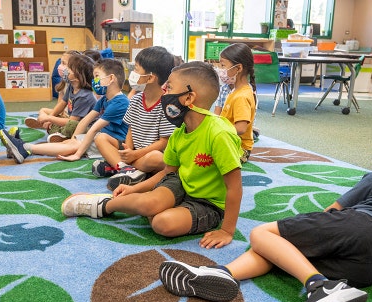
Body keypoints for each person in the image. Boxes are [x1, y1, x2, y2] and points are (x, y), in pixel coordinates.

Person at [158, 125, 372, 302]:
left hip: (362, 226)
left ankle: (320, 287)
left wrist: (317, 226)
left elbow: (335, 209)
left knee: (262, 233)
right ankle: (224, 275)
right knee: (284, 253)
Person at [61, 61, 243, 250]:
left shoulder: (219, 133)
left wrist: (227, 230)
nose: (164, 91)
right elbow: (167, 172)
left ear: (189, 98)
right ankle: (104, 205)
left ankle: (154, 206)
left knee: (161, 223)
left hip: (208, 203)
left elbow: (235, 187)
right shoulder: (180, 131)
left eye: (170, 87)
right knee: (149, 203)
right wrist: (135, 189)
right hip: (181, 184)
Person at [0, 58, 129, 164]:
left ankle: (25, 148)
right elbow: (85, 121)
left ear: (111, 78)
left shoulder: (120, 102)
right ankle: (22, 147)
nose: (94, 80)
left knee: (72, 147)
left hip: (113, 143)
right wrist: (74, 138)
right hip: (101, 136)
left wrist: (77, 154)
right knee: (69, 143)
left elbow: (95, 128)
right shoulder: (104, 99)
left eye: (97, 76)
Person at [94, 46, 176, 191]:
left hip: (148, 155)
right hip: (134, 151)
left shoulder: (167, 104)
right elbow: (131, 128)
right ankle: (126, 170)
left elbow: (164, 142)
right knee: (101, 138)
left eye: (137, 69)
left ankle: (119, 166)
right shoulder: (136, 99)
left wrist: (135, 154)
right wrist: (128, 149)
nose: (133, 73)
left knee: (157, 158)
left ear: (150, 78)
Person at [217, 43, 257, 164]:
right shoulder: (236, 90)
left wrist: (218, 131)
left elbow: (240, 128)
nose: (221, 70)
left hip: (239, 149)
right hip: (230, 142)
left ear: (238, 68)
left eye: (223, 65)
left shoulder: (241, 96)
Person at [26, 50, 83, 131]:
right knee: (43, 110)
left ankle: (48, 125)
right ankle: (46, 123)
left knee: (68, 126)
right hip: (64, 115)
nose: (59, 66)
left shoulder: (80, 90)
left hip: (72, 119)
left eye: (64, 63)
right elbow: (61, 104)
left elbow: (73, 120)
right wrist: (51, 117)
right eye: (60, 63)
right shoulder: (66, 83)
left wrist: (51, 119)